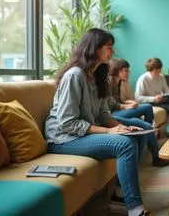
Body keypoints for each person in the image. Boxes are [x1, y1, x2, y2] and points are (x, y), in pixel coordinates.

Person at [44, 28, 152, 216]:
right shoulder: (74, 76)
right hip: (63, 139)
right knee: (125, 144)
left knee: (138, 129)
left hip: (84, 129)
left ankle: (119, 192)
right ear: (94, 49)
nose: (113, 52)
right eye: (109, 47)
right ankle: (135, 208)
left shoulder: (99, 75)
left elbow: (103, 114)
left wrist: (123, 127)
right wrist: (109, 132)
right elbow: (67, 123)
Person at [108, 58, 169, 167]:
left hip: (118, 109)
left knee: (145, 121)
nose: (128, 73)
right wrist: (125, 106)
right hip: (113, 114)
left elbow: (116, 100)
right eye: (126, 70)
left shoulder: (119, 82)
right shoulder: (110, 82)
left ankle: (151, 133)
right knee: (146, 108)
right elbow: (110, 105)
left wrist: (127, 102)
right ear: (118, 70)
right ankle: (155, 155)